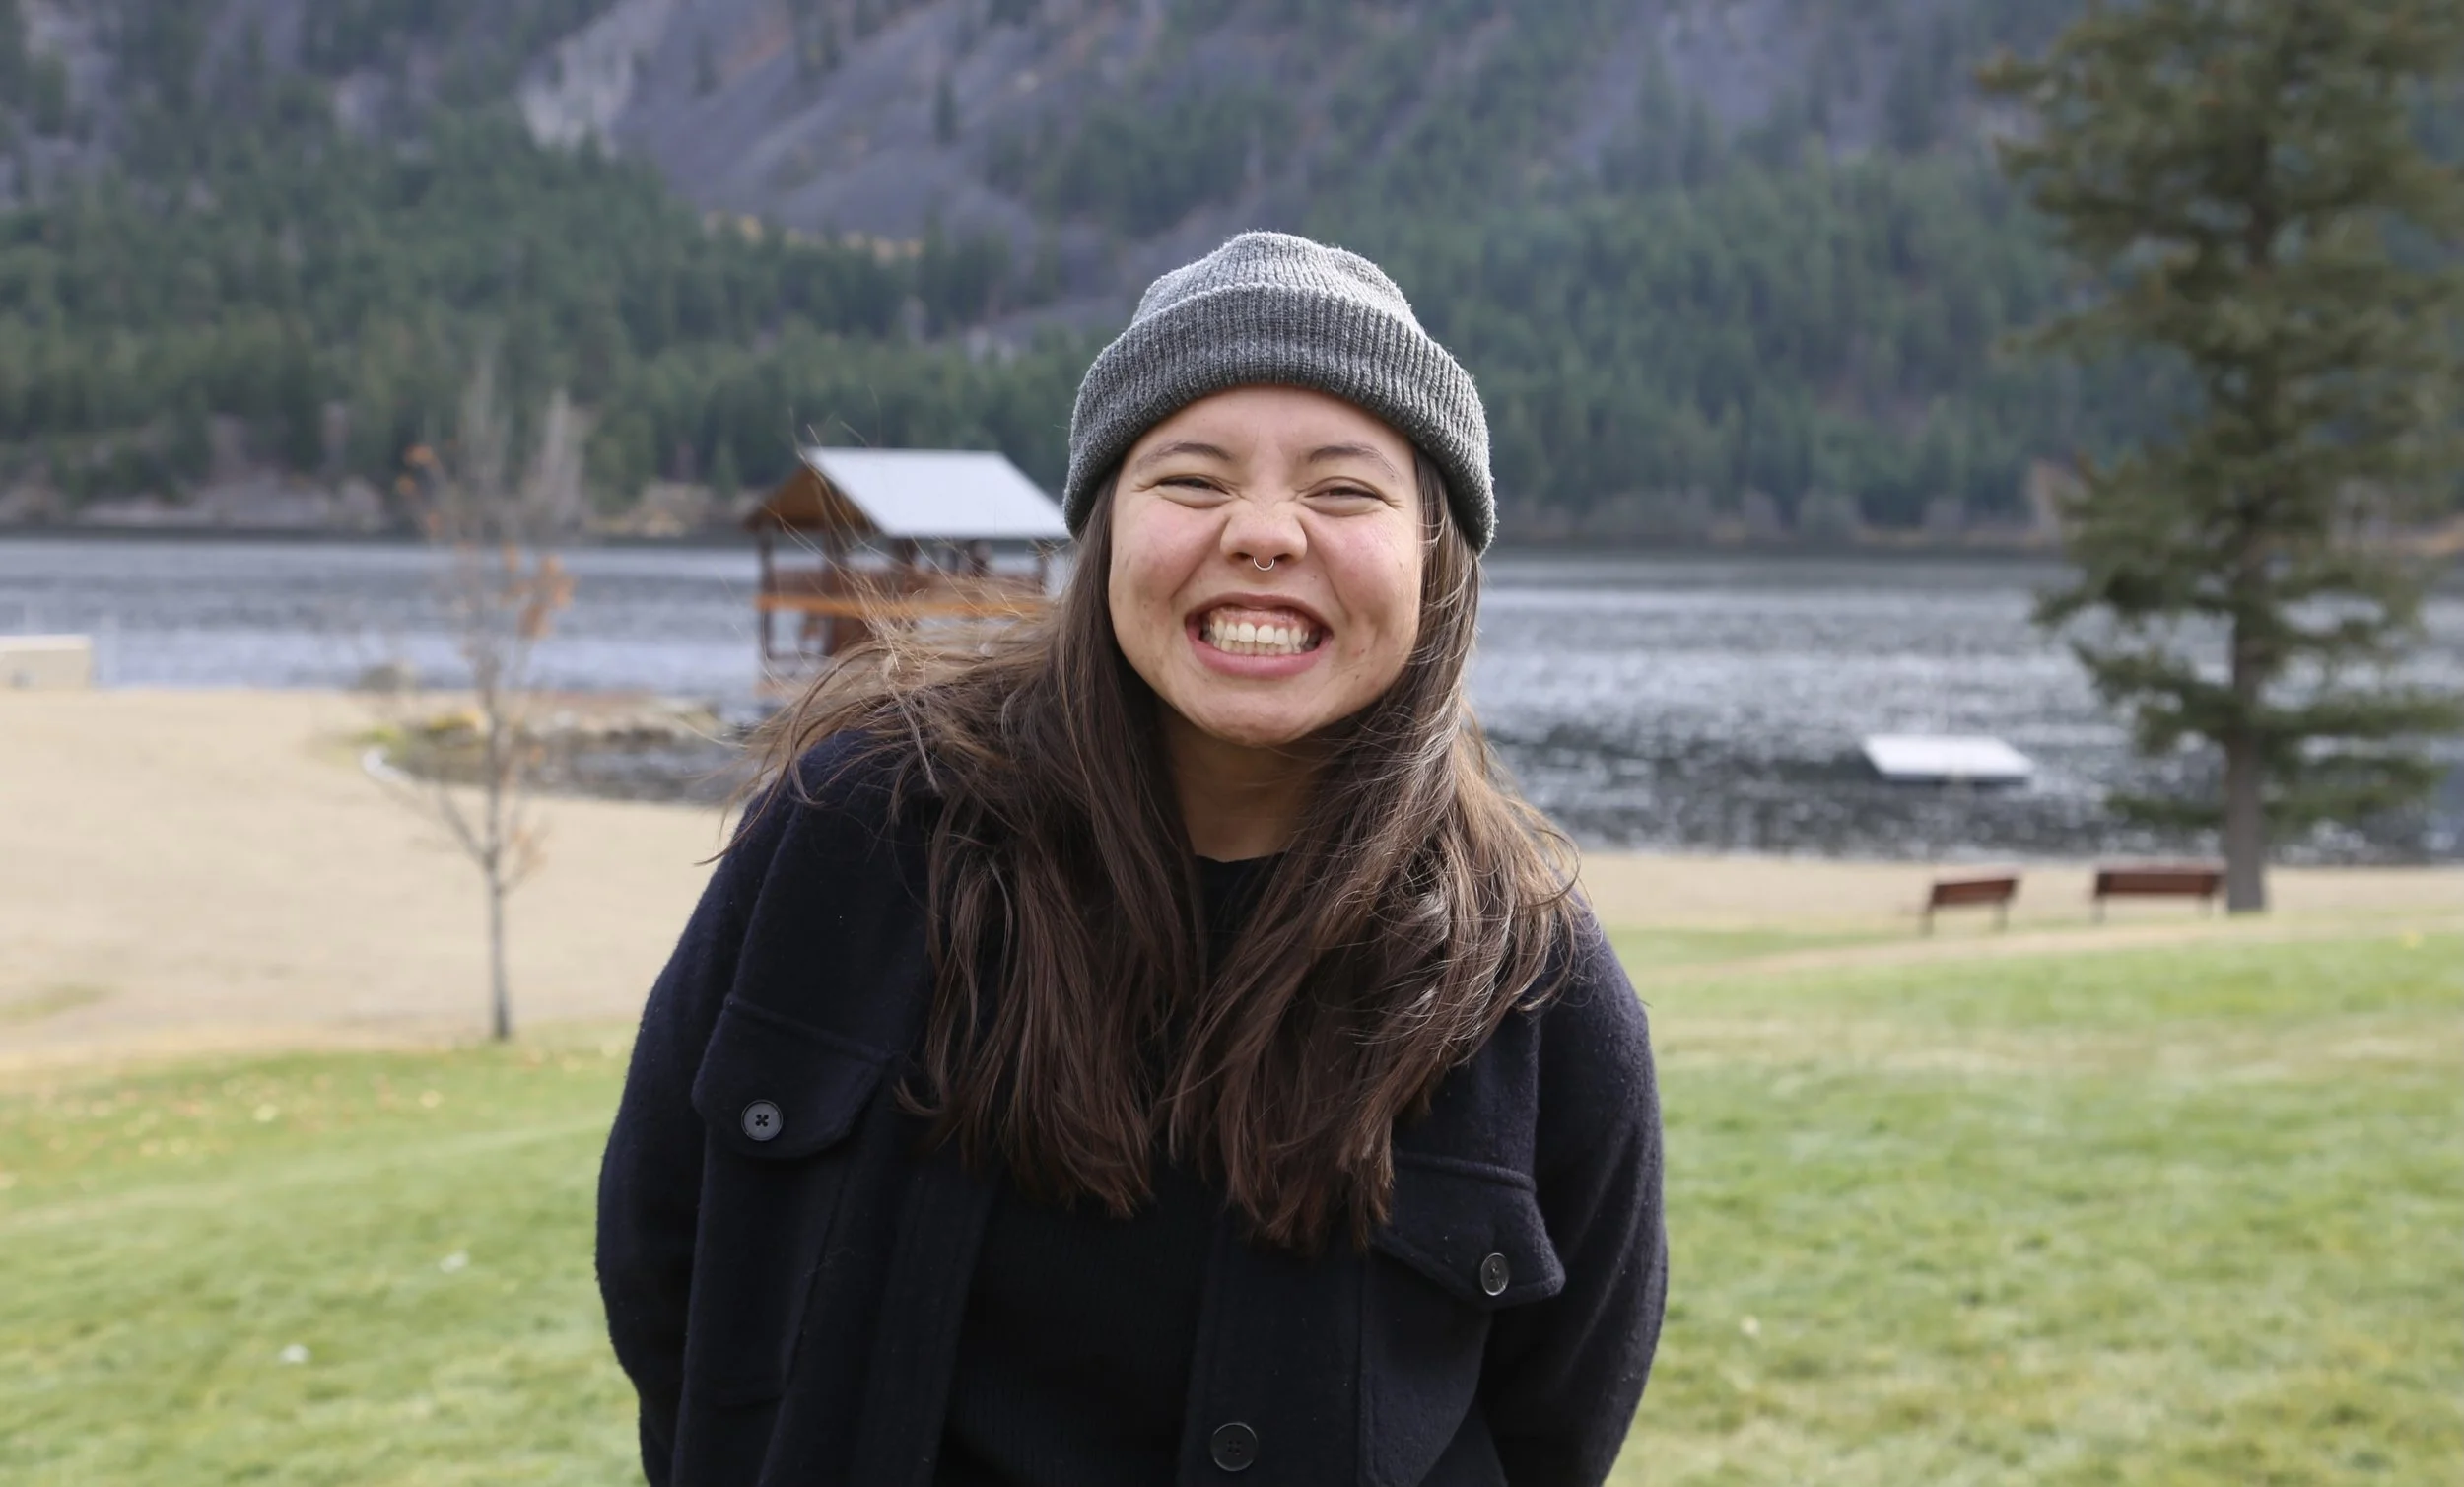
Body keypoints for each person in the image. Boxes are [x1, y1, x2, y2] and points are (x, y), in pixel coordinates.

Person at [596, 232, 1666, 1487]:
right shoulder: (860, 841)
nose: (1264, 533)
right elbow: (666, 1264)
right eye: (1193, 480)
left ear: (1439, 561)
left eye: (1343, 490)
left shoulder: (1528, 988)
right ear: (1104, 536)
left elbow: (1554, 1427)